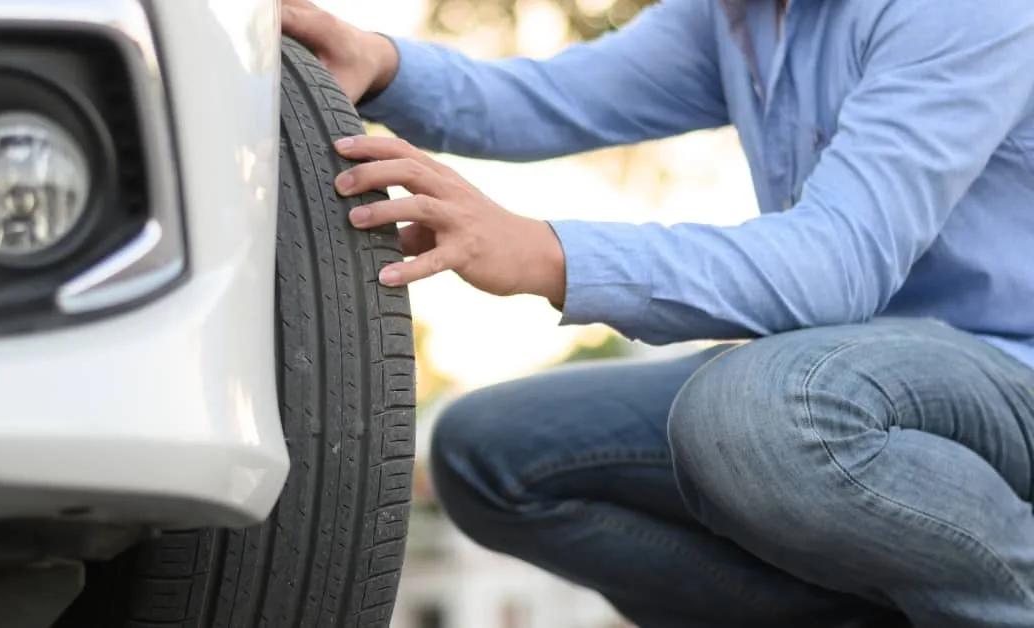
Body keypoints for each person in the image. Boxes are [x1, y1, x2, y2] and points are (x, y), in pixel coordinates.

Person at [282, 0, 1034, 626]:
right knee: (489, 454)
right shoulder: (737, 16)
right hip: (856, 368)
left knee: (760, 415)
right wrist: (380, 62)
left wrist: (543, 254)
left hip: (1008, 371)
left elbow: (837, 264)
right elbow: (553, 97)